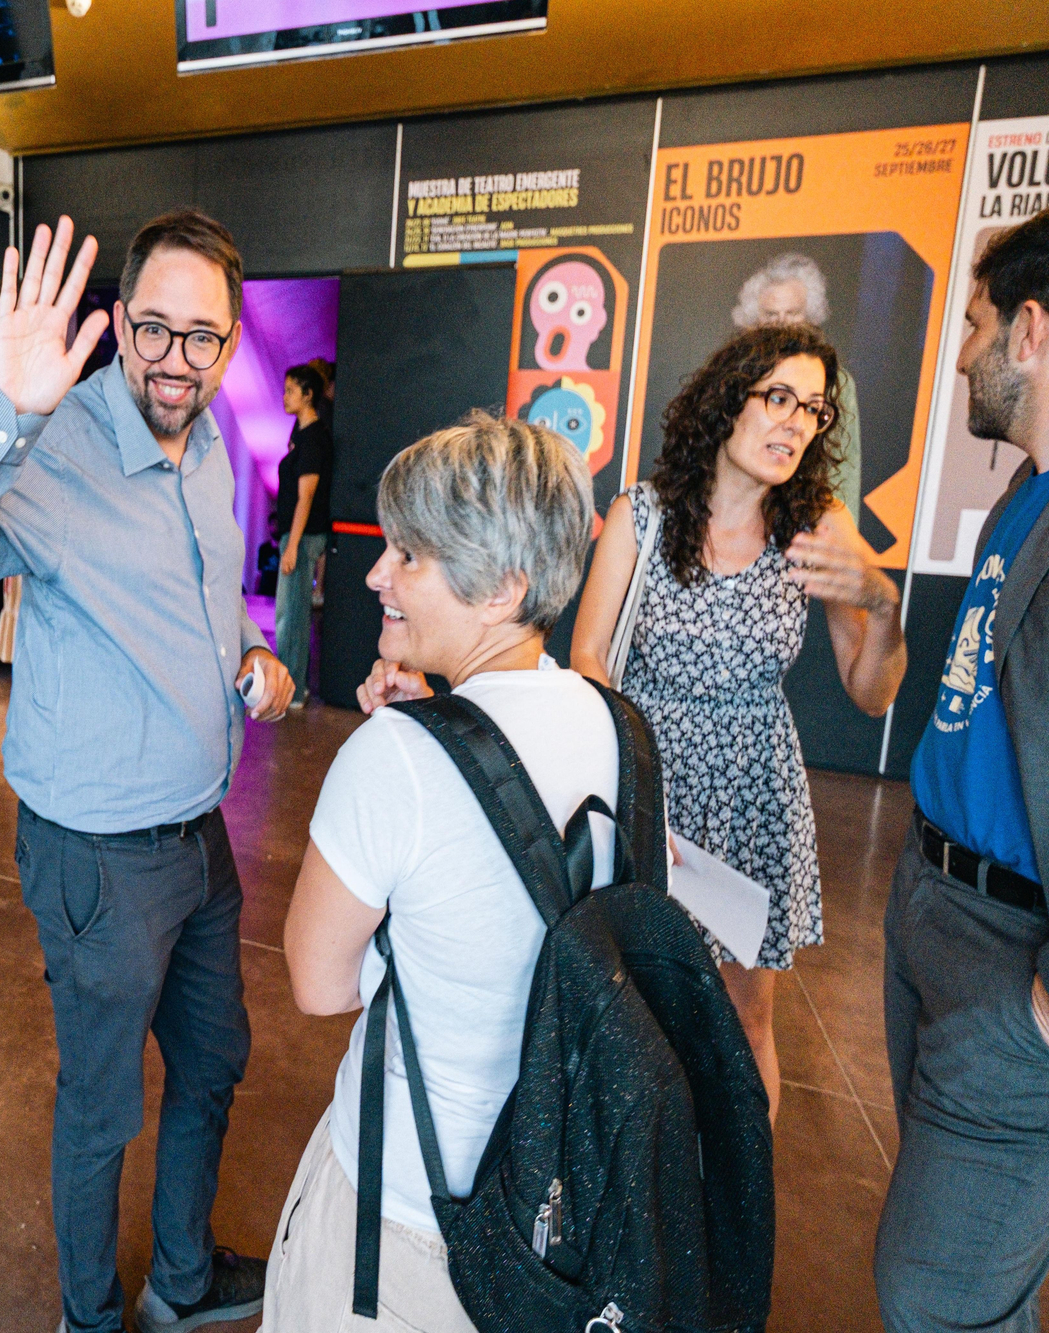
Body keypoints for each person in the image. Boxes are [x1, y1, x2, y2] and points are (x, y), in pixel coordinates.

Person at [0, 211, 296, 1333]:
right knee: (100, 1108)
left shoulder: (213, 445)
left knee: (213, 1060)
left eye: (202, 336)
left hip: (199, 840)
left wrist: (249, 661)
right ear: (117, 321)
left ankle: (177, 1280)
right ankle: (86, 1315)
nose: (176, 359)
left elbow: (200, 610)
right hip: (98, 858)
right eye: (154, 329)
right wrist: (2, 411)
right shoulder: (55, 445)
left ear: (228, 341)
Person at [272, 411, 604, 1333]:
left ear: (500, 585)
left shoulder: (399, 758)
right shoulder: (622, 729)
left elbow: (318, 981)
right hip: (558, 1209)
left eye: (410, 555)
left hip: (408, 1216)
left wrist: (403, 741)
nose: (378, 573)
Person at [570, 321, 905, 1123]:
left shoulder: (813, 529)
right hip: (648, 783)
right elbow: (589, 665)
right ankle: (637, 1193)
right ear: (728, 403)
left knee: (746, 1018)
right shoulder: (641, 517)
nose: (795, 421)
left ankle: (735, 1209)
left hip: (752, 795)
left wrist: (883, 602)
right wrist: (631, 797)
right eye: (779, 397)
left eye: (814, 410)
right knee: (632, 1005)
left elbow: (872, 690)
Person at [875, 210, 1049, 1333]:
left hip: (1010, 974)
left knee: (929, 1295)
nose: (959, 352)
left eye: (977, 323)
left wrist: (1033, 1015)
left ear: (1030, 331)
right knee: (989, 1272)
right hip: (936, 907)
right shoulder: (1022, 493)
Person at [734, 252, 863, 519]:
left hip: (801, 521)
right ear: (753, 319)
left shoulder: (836, 384)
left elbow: (844, 473)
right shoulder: (734, 374)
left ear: (811, 316)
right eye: (771, 314)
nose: (782, 323)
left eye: (792, 312)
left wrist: (834, 540)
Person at [273, 361, 333, 706]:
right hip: (298, 535)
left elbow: (306, 495)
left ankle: (292, 689)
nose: (285, 397)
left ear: (308, 395)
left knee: (291, 616)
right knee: (290, 614)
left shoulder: (312, 438)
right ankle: (294, 685)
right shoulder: (302, 436)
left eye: (291, 391)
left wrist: (292, 545)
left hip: (303, 536)